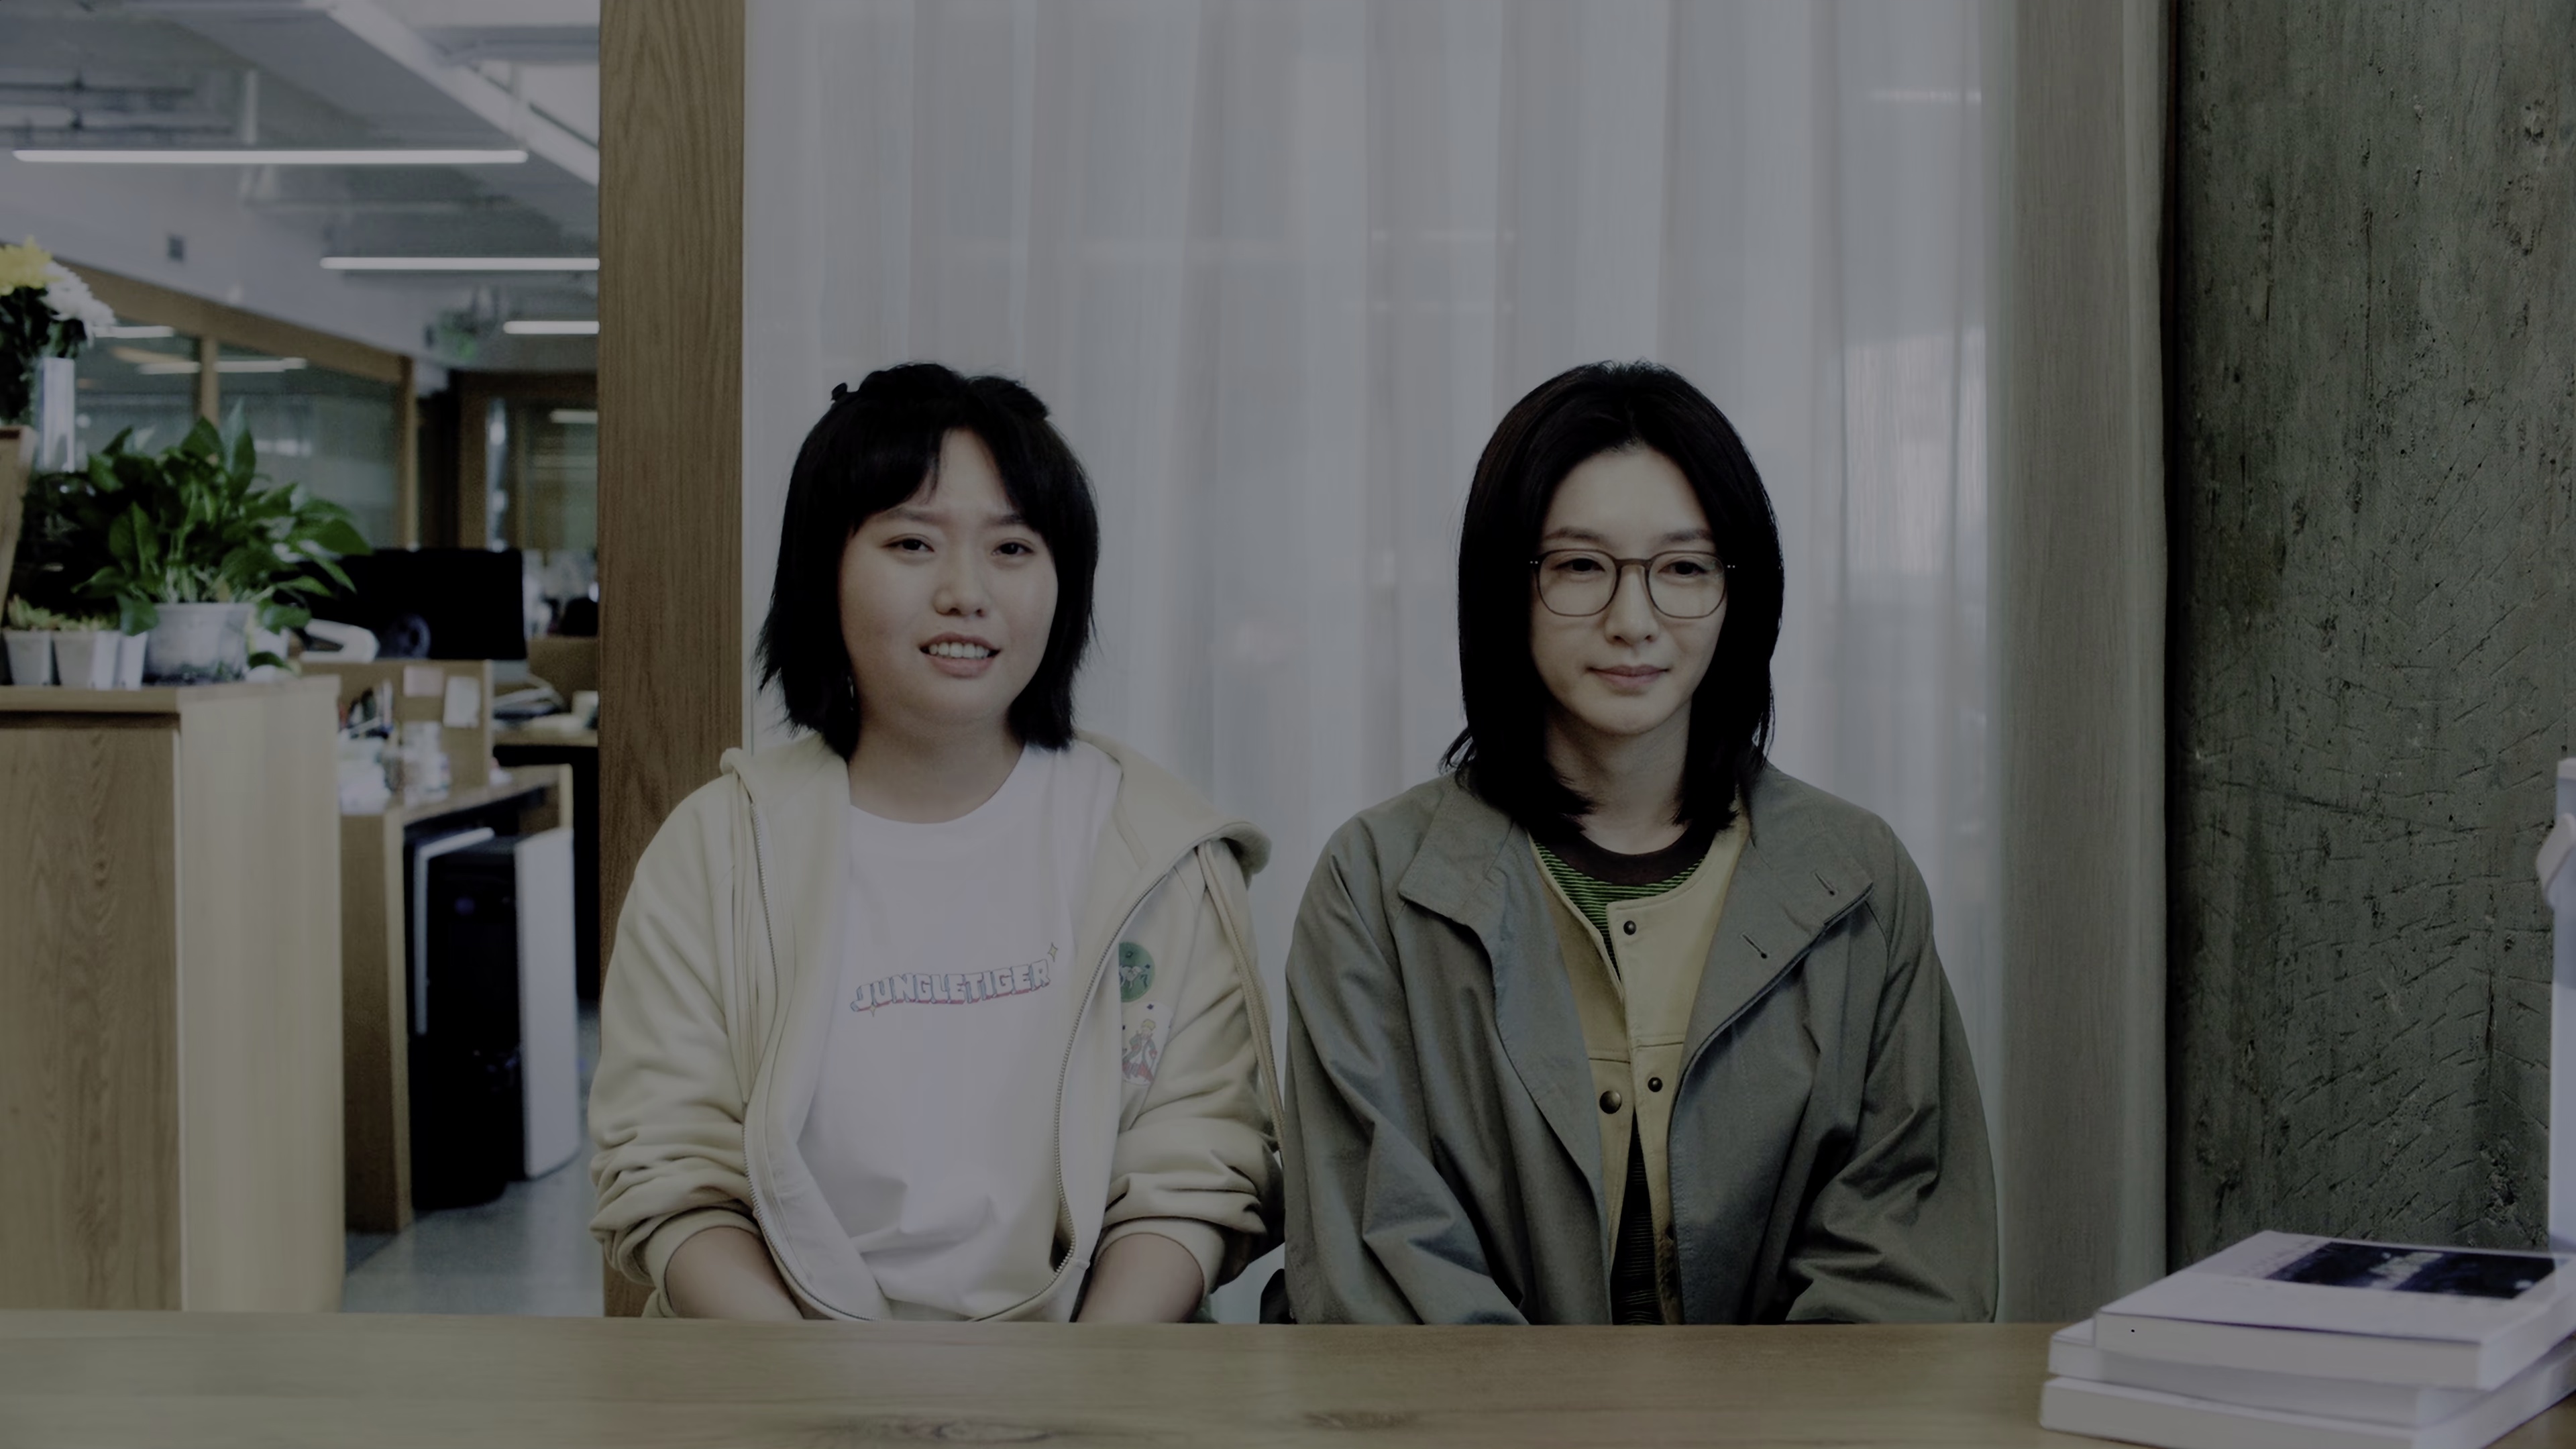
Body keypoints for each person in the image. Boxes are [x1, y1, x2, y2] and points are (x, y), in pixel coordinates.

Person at [1279, 360, 1994, 1325]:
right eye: (1579, 567)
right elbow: (1380, 1261)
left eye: (1684, 569)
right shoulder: (1374, 884)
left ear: (1739, 593)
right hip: (1460, 1414)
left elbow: (1901, 1265)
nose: (1633, 621)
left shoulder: (1860, 881)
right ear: (1506, 588)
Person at [590, 364, 1279, 1322]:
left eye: (1013, 548)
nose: (966, 592)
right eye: (912, 543)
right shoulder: (719, 850)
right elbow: (671, 1172)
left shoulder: (1160, 850)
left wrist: (1086, 1385)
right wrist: (813, 1389)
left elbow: (1193, 1166)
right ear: (824, 572)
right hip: (776, 1374)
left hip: (1102, 1374)